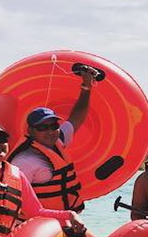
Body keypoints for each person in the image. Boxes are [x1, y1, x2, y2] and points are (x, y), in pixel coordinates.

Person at [8, 64, 98, 212]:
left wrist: (86, 87)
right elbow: (14, 203)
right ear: (30, 131)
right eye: (42, 128)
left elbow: (78, 115)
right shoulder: (24, 161)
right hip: (38, 226)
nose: (50, 131)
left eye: (54, 126)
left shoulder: (59, 140)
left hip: (65, 221)